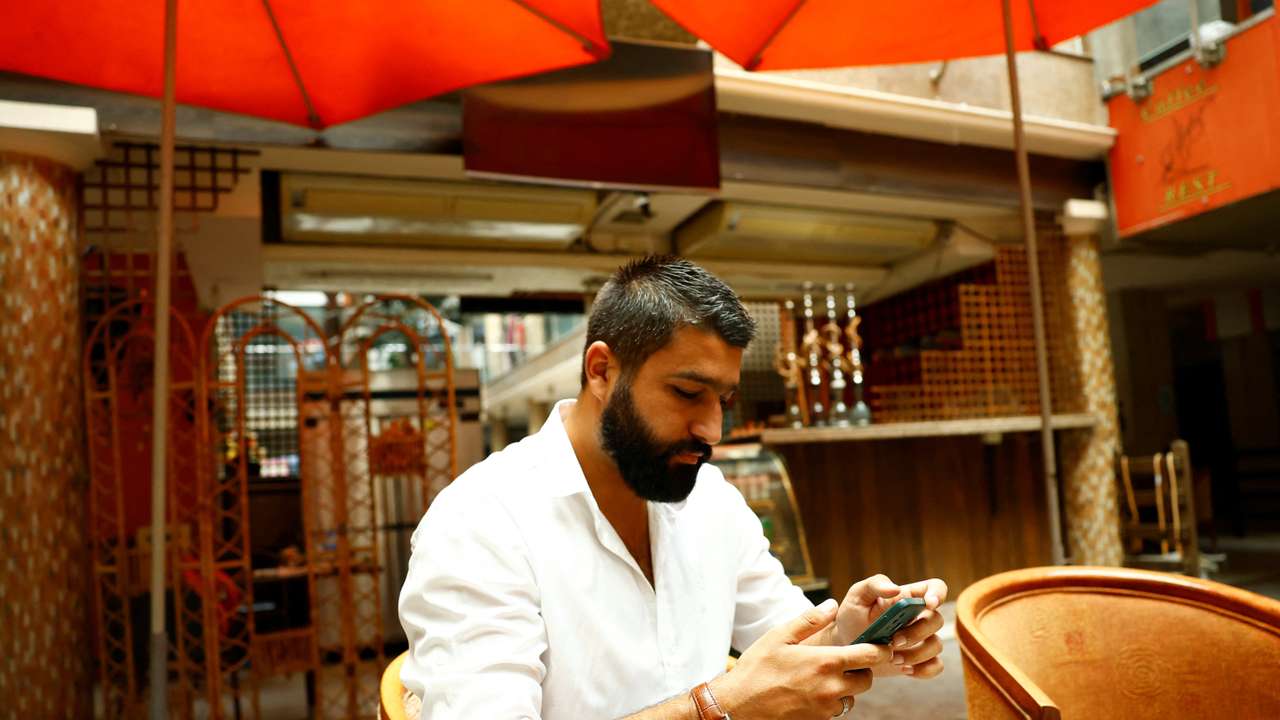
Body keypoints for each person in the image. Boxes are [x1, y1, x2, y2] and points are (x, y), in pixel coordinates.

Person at [398, 256, 947, 719]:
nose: (712, 429)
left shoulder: (710, 498)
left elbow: (786, 648)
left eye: (723, 401)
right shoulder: (479, 522)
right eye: (688, 392)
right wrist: (717, 705)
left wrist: (848, 634)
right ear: (601, 370)